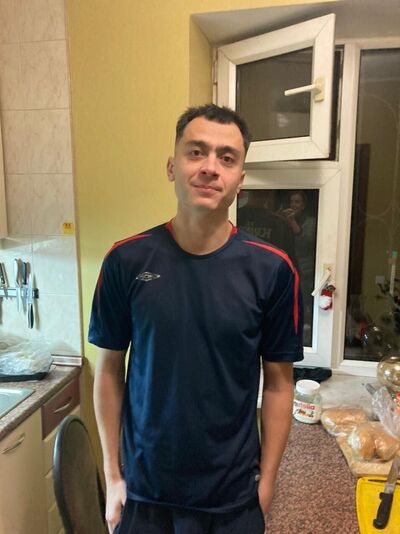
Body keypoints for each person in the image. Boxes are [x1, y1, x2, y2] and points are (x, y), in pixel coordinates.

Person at [89, 104, 304, 534]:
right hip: (144, 492)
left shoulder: (272, 269)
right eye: (196, 152)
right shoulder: (126, 260)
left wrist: (268, 481)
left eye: (227, 158)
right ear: (172, 167)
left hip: (232, 497)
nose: (210, 167)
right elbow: (109, 370)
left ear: (240, 180)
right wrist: (113, 476)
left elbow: (280, 384)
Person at [278, 190, 316, 345]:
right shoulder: (282, 220)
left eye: (297, 202)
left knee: (305, 302)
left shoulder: (311, 221)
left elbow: (307, 243)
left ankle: (305, 336)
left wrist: (293, 222)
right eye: (291, 201)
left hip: (305, 269)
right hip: (286, 267)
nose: (293, 205)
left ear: (303, 205)